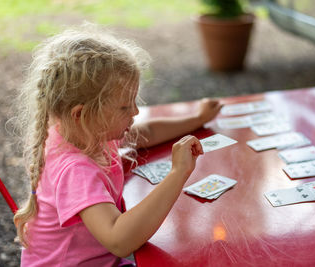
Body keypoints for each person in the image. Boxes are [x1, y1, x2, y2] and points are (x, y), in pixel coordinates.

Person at [12, 23, 222, 266]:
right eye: (124, 106)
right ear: (81, 114)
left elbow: (147, 132)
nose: (135, 111)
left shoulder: (83, 131)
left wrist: (197, 119)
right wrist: (177, 173)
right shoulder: (74, 169)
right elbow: (120, 240)